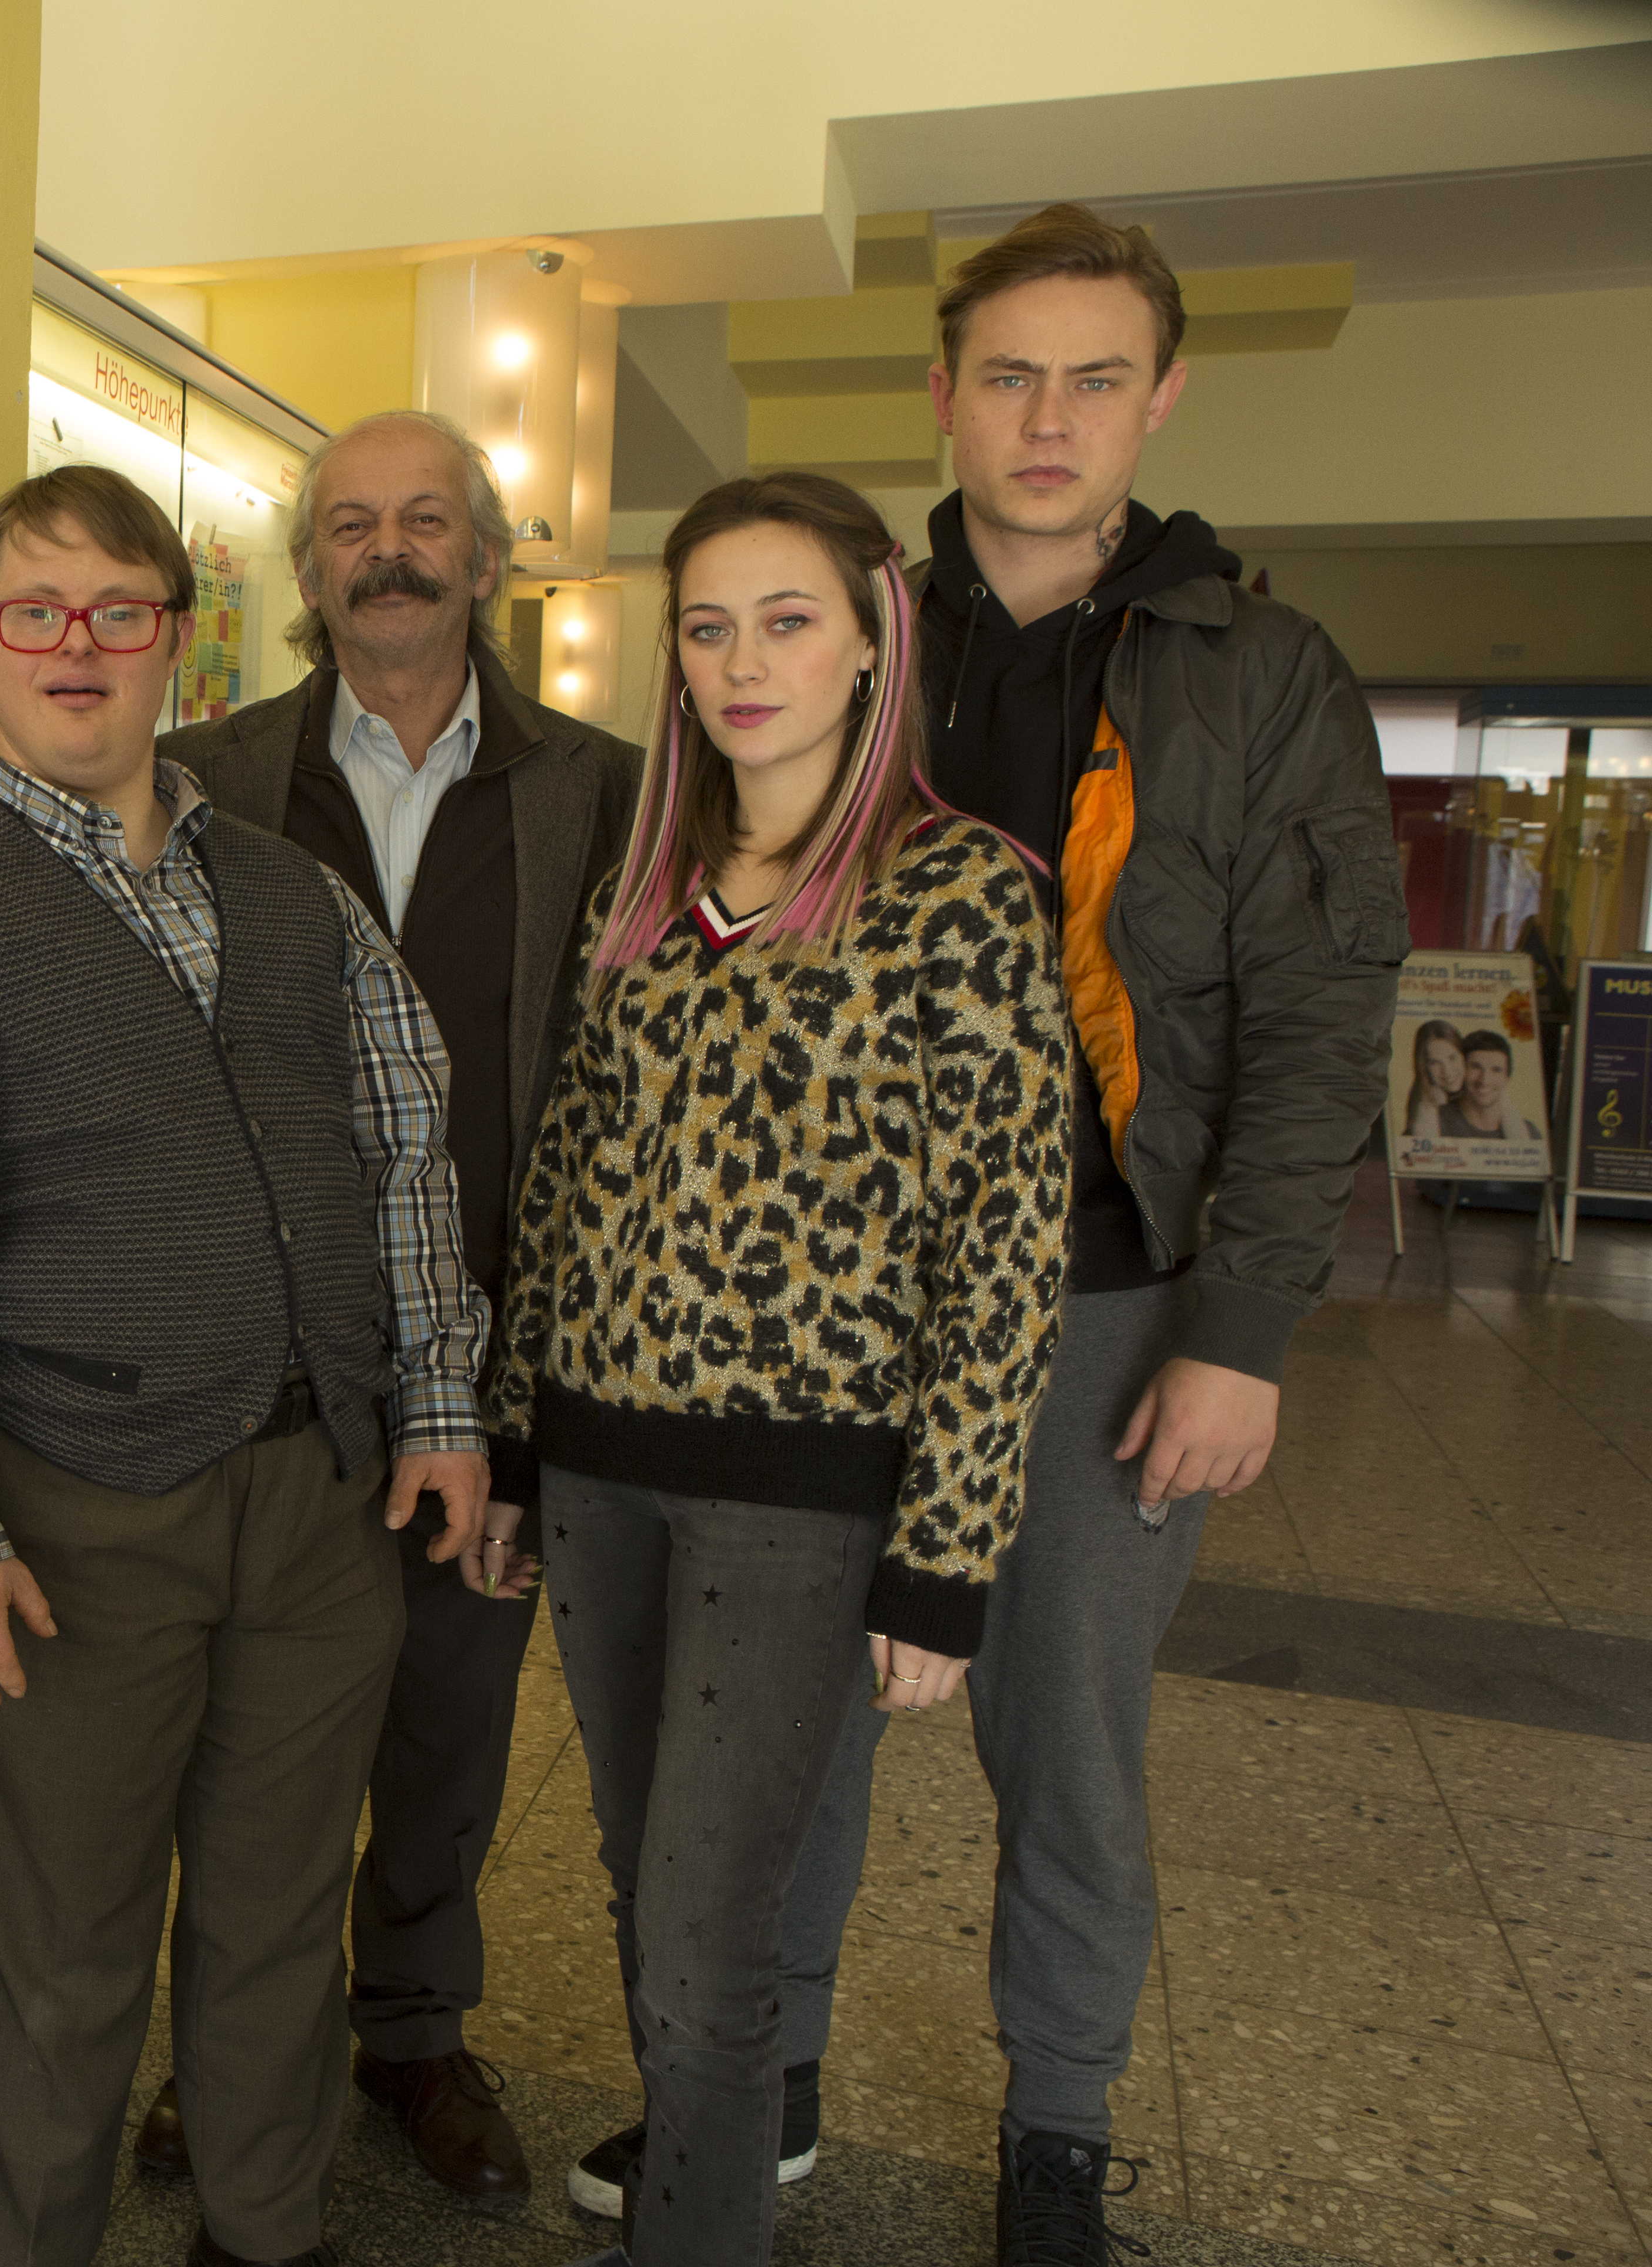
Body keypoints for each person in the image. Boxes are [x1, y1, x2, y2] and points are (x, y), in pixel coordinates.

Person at [759, 204, 1405, 2266]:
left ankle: (1057, 2140)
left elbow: (1318, 1020)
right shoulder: (842, 634)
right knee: (792, 1727)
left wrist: (1250, 1330)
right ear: (944, 394)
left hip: (1118, 1309)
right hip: (831, 1308)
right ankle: (754, 2103)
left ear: (1161, 397)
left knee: (1070, 1752)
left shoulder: (1265, 672)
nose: (1049, 421)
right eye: (1010, 376)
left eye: (1095, 377)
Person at [0, 463, 497, 2267]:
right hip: (72, 1510)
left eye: (122, 610)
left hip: (324, 1495)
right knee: (67, 1948)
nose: (79, 646)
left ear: (181, 645)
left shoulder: (292, 891)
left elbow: (404, 1145)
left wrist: (437, 1404)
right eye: (38, 609)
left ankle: (263, 2229)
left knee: (277, 1917)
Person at [508, 472, 1069, 2267]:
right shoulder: (649, 883)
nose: (743, 661)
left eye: (788, 617)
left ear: (872, 637)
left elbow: (1010, 1240)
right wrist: (523, 1442)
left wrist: (949, 1552)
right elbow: (566, 1171)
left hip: (804, 1494)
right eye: (707, 625)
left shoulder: (960, 891)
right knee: (642, 1885)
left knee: (707, 1937)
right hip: (603, 1473)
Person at [152, 406, 637, 2206]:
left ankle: (415, 2035)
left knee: (445, 1721)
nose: (391, 549)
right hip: (257, 1369)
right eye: (351, 523)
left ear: (491, 559)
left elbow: (621, 1107)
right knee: (250, 1730)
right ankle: (234, 2052)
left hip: (489, 1360)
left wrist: (539, 1412)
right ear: (306, 570)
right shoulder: (208, 771)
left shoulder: (603, 785)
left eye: (427, 518)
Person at [1452, 1030, 1540, 1140]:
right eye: (1476, 1067)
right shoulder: (1435, 1121)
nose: (1485, 1080)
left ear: (1507, 1078)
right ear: (1461, 1070)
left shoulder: (1529, 1133)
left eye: (1496, 1070)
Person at [1404, 1018, 1467, 1135]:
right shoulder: (1425, 1109)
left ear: (1463, 1055)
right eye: (1435, 1062)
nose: (1447, 1071)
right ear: (1424, 1067)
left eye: (1452, 1058)